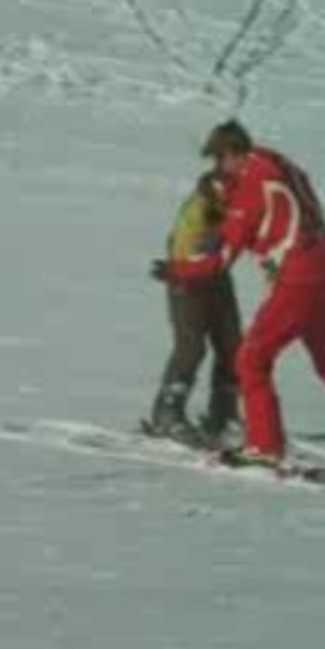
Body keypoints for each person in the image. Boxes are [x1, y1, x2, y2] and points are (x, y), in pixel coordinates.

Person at [159, 121, 325, 467]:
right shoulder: (282, 164)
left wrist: (176, 270)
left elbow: (221, 259)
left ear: (233, 155)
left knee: (251, 359)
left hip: (297, 279)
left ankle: (264, 447)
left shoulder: (251, 187)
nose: (219, 168)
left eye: (219, 160)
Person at [143, 170, 243, 447]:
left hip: (216, 276)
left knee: (233, 346)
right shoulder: (198, 213)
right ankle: (167, 412)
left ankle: (223, 413)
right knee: (191, 346)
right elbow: (186, 251)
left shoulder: (232, 205)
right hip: (186, 279)